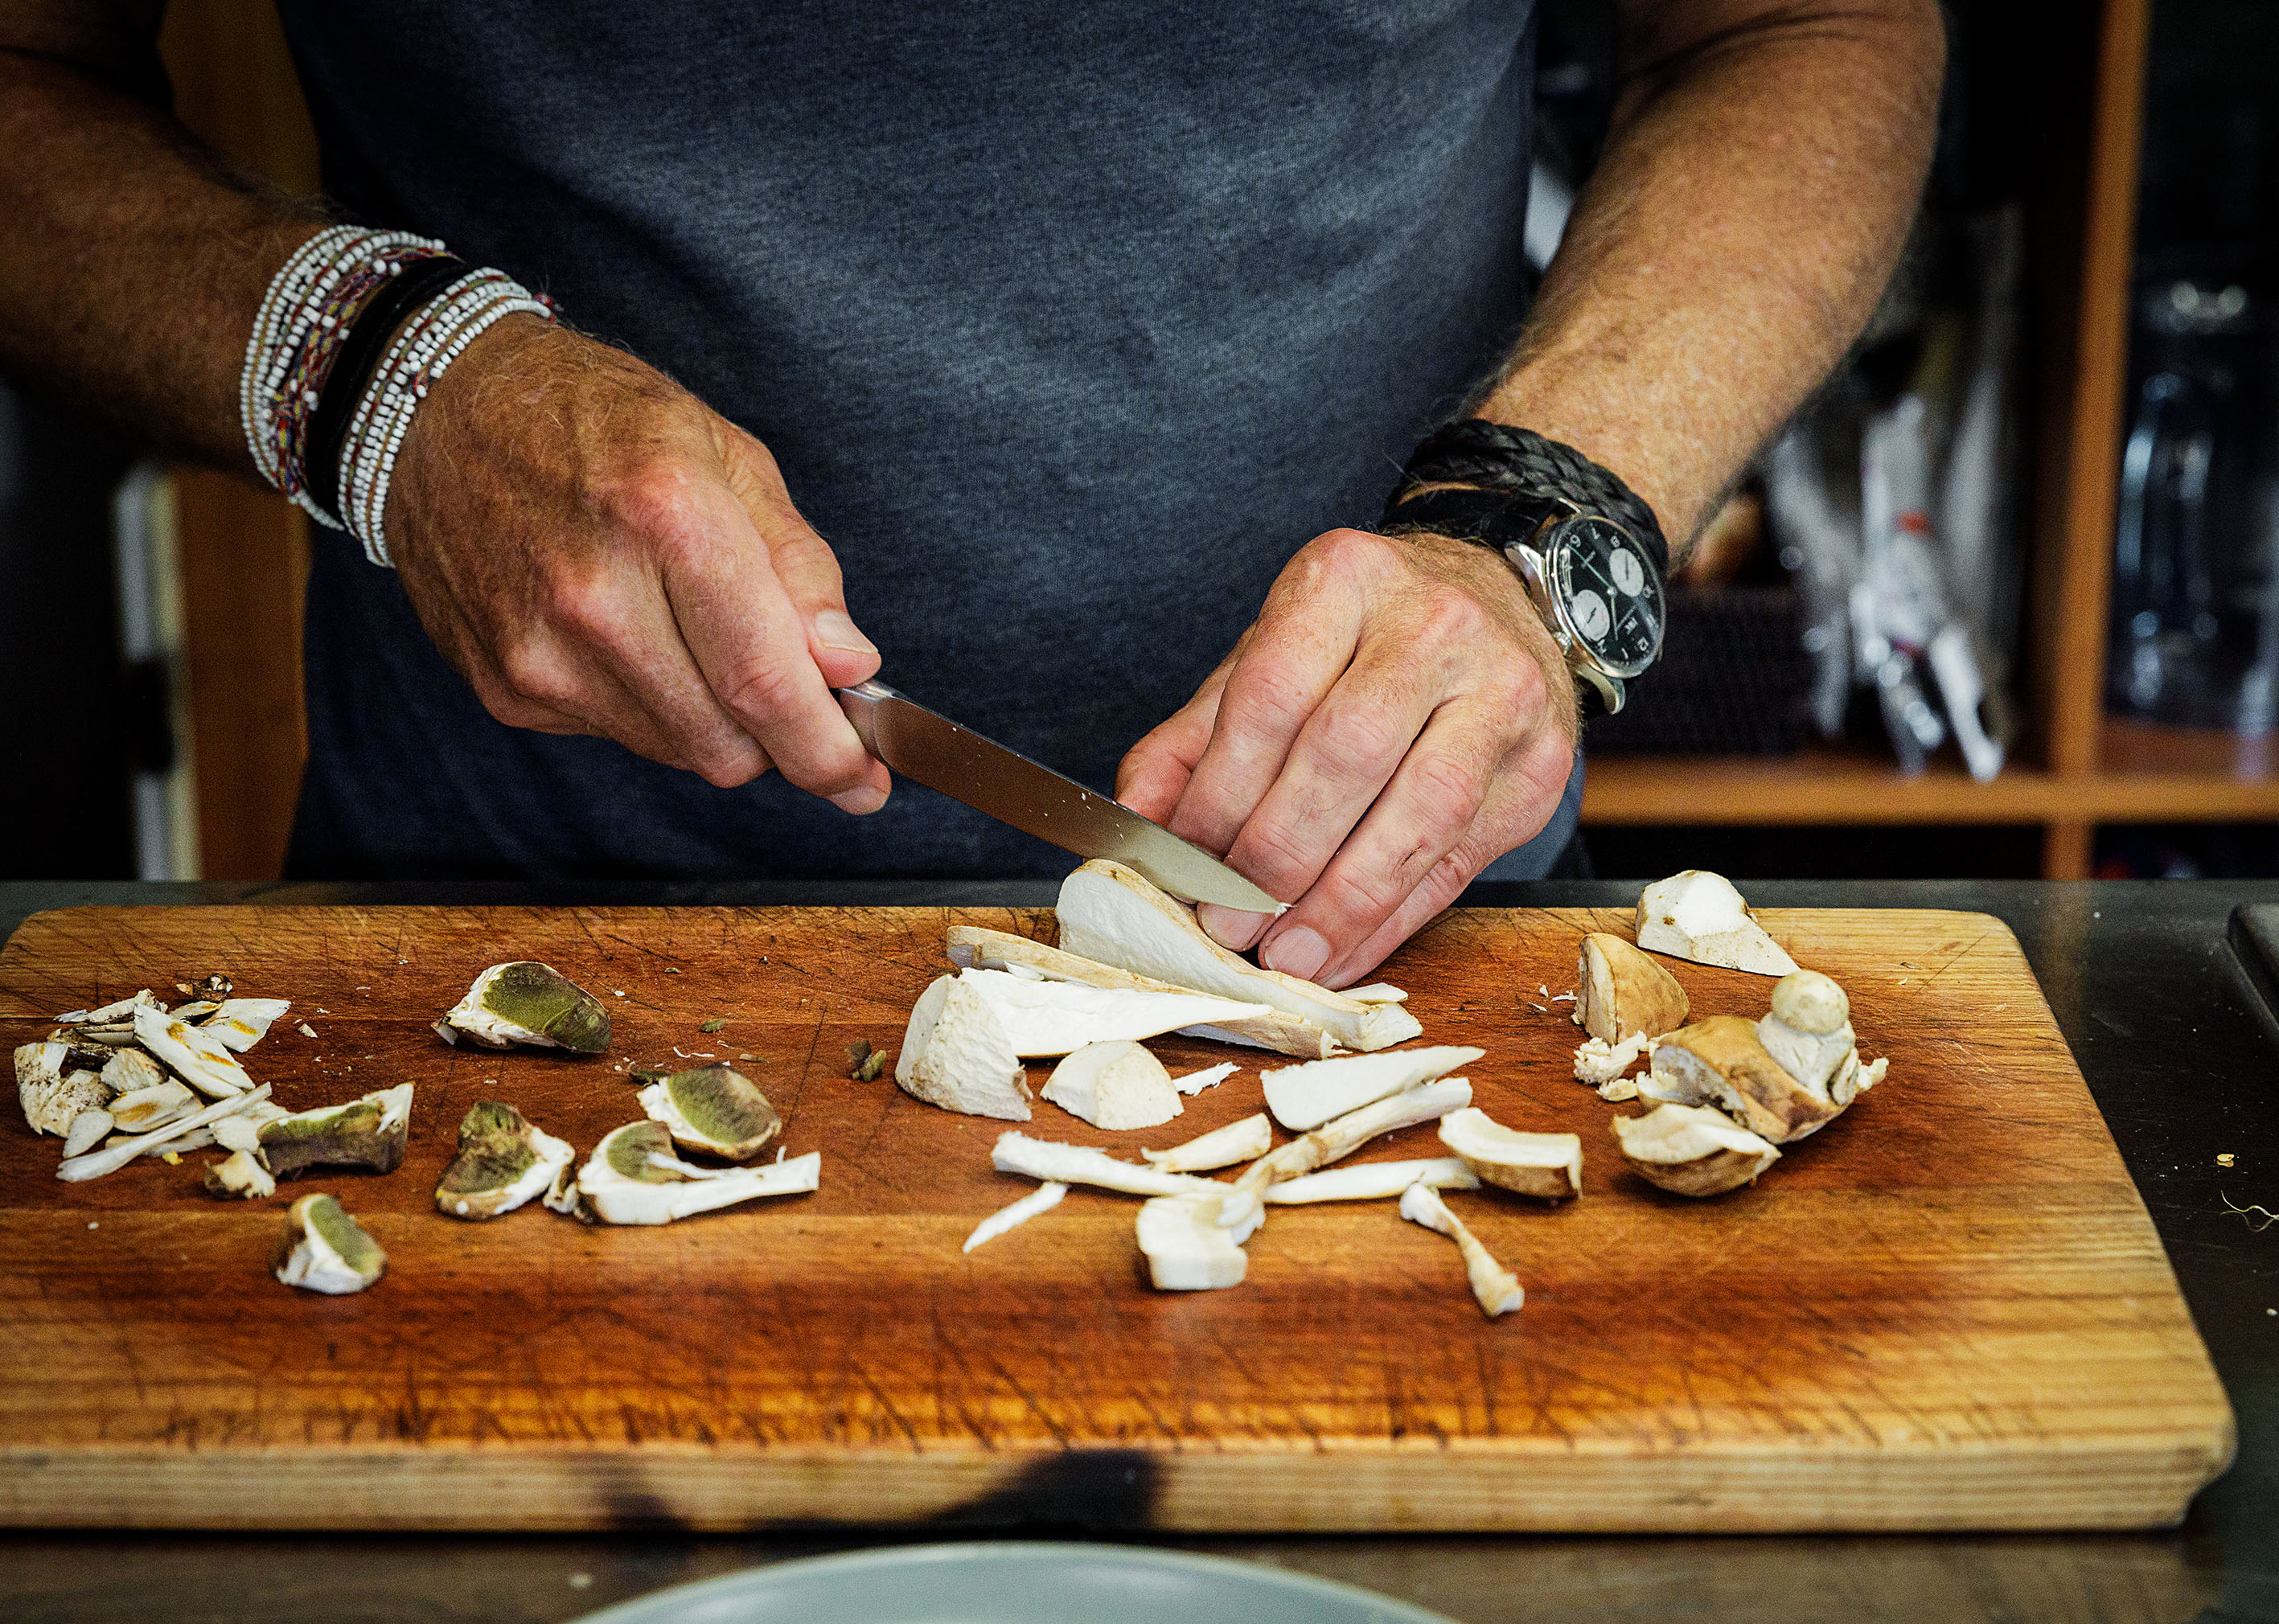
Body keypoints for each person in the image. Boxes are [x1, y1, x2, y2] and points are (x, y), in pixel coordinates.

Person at [0, 0, 1940, 985]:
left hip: (1388, 937)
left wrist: (1545, 530)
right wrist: (377, 382)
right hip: (502, 918)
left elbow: (1805, 23)